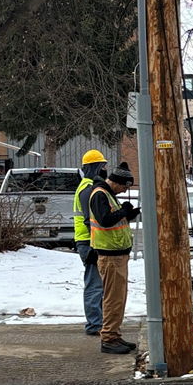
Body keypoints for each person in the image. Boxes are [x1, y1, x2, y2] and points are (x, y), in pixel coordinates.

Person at [89, 162, 141, 354]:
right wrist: (123, 212)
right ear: (118, 182)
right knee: (113, 299)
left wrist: (128, 215)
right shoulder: (100, 194)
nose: (125, 191)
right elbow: (105, 220)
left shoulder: (107, 194)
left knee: (118, 298)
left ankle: (114, 335)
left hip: (116, 255)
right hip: (110, 256)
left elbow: (114, 219)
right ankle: (109, 338)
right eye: (125, 186)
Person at [73, 149, 108, 337]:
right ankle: (95, 324)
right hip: (89, 242)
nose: (104, 170)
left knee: (97, 283)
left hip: (87, 241)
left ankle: (98, 322)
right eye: (102, 166)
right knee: (94, 284)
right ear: (94, 167)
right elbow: (90, 220)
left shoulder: (87, 185)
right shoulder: (87, 189)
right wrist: (95, 244)